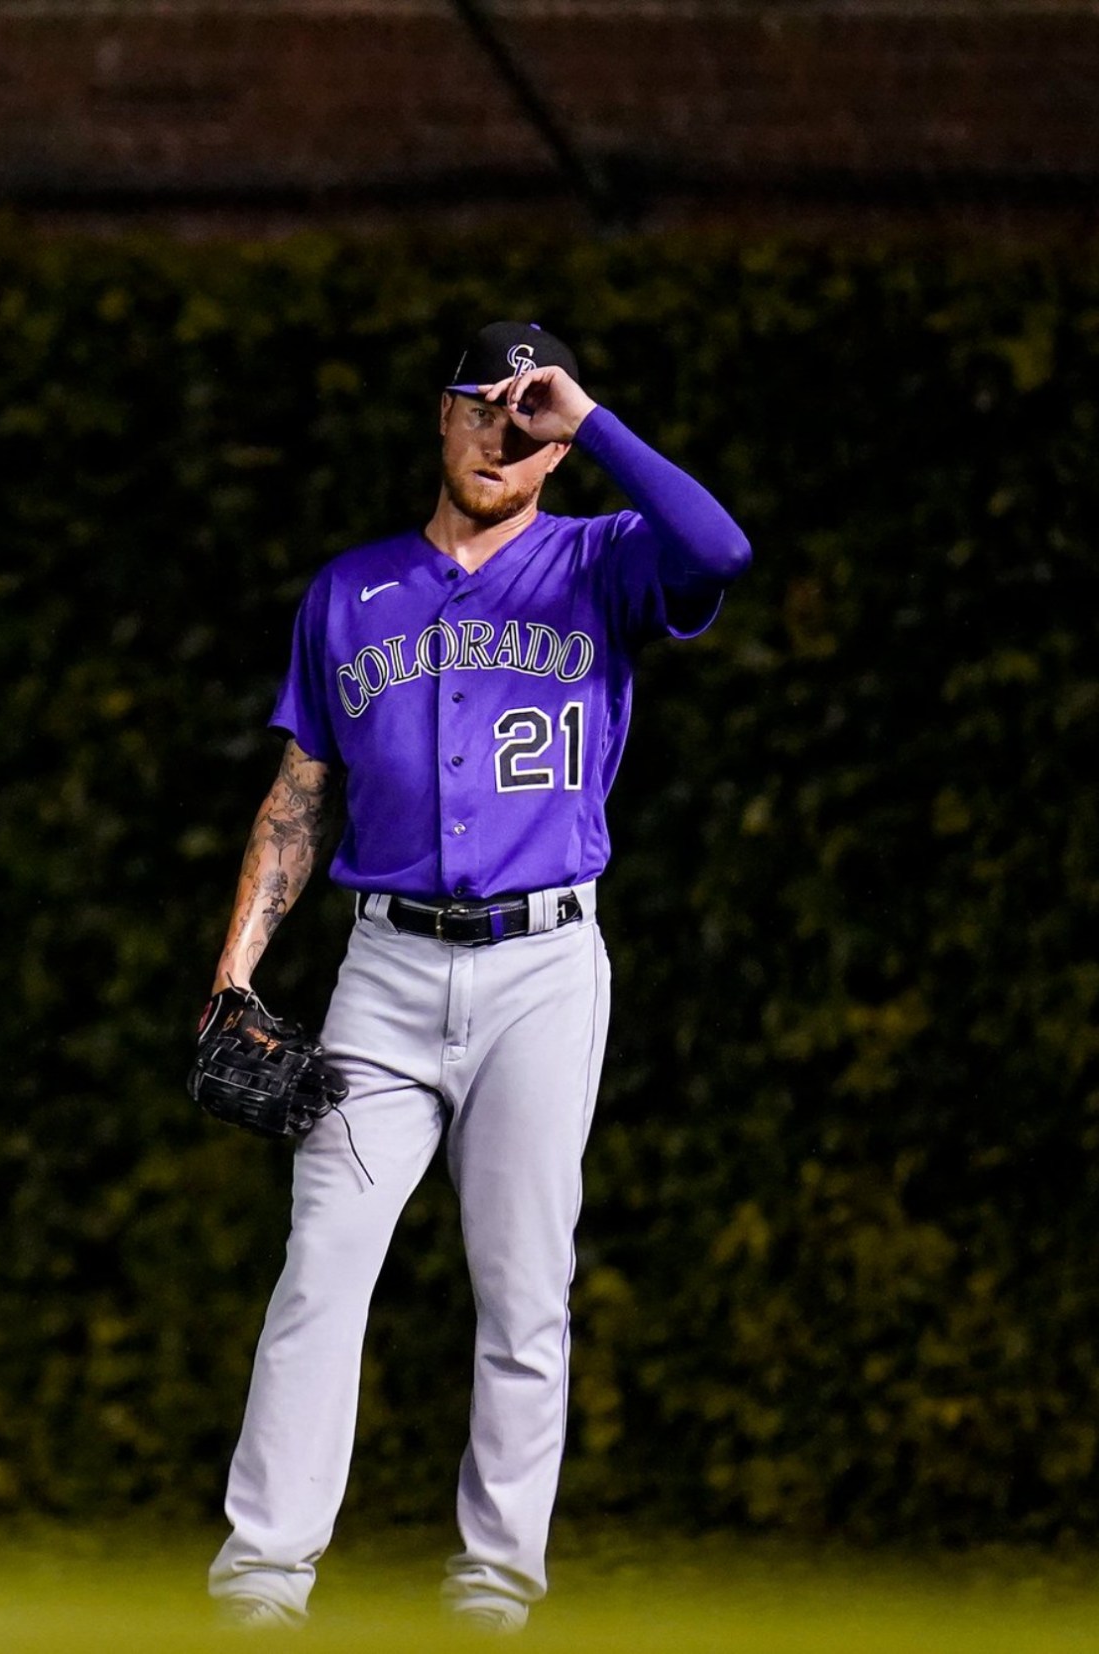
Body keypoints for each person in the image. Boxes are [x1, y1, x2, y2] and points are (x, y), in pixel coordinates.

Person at [205, 322, 751, 1634]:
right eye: (483, 405)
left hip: (546, 969)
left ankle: (493, 1591)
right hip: (383, 971)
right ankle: (258, 1587)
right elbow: (300, 795)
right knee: (320, 1268)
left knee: (524, 1290)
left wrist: (591, 414)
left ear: (558, 445)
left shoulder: (604, 560)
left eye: (530, 416)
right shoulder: (350, 593)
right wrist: (234, 970)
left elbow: (721, 548)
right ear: (438, 419)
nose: (504, 432)